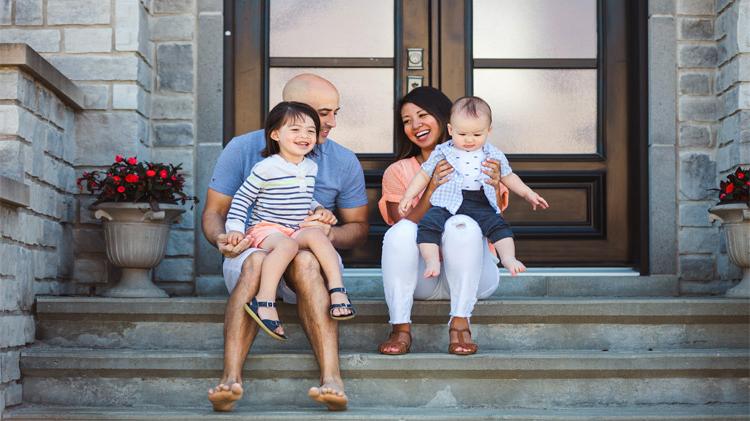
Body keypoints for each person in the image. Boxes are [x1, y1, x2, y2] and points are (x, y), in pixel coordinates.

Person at [202, 74, 368, 412]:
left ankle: (332, 379)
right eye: (323, 113)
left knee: (306, 262)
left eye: (335, 112)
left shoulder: (342, 160)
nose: (331, 122)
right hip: (255, 245)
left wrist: (328, 230)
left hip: (307, 252)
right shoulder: (243, 149)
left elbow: (359, 228)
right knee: (255, 262)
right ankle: (230, 380)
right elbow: (215, 212)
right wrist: (224, 239)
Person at [378, 87, 510, 357]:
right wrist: (430, 189)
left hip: (473, 276)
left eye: (422, 115)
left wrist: (494, 184)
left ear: (445, 121)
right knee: (399, 232)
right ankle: (400, 328)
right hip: (424, 277)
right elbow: (400, 222)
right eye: (406, 121)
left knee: (462, 224)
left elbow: (492, 217)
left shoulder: (485, 159)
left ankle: (460, 325)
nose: (415, 125)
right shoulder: (399, 171)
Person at [224, 101, 356, 341]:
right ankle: (263, 301)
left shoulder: (310, 167)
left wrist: (319, 209)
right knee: (288, 246)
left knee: (318, 235)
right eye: (295, 130)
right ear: (276, 134)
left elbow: (305, 196)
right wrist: (234, 229)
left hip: (293, 228)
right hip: (265, 229)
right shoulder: (266, 168)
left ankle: (337, 290)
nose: (304, 136)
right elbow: (241, 199)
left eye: (310, 131)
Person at [399, 96, 549, 280]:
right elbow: (423, 175)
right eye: (462, 134)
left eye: (477, 135)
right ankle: (432, 261)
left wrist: (528, 193)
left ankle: (509, 258)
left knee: (498, 226)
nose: (469, 140)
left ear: (488, 131)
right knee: (428, 225)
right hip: (447, 202)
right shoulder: (442, 151)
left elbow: (508, 176)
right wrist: (408, 196)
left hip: (479, 201)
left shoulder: (493, 153)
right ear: (451, 130)